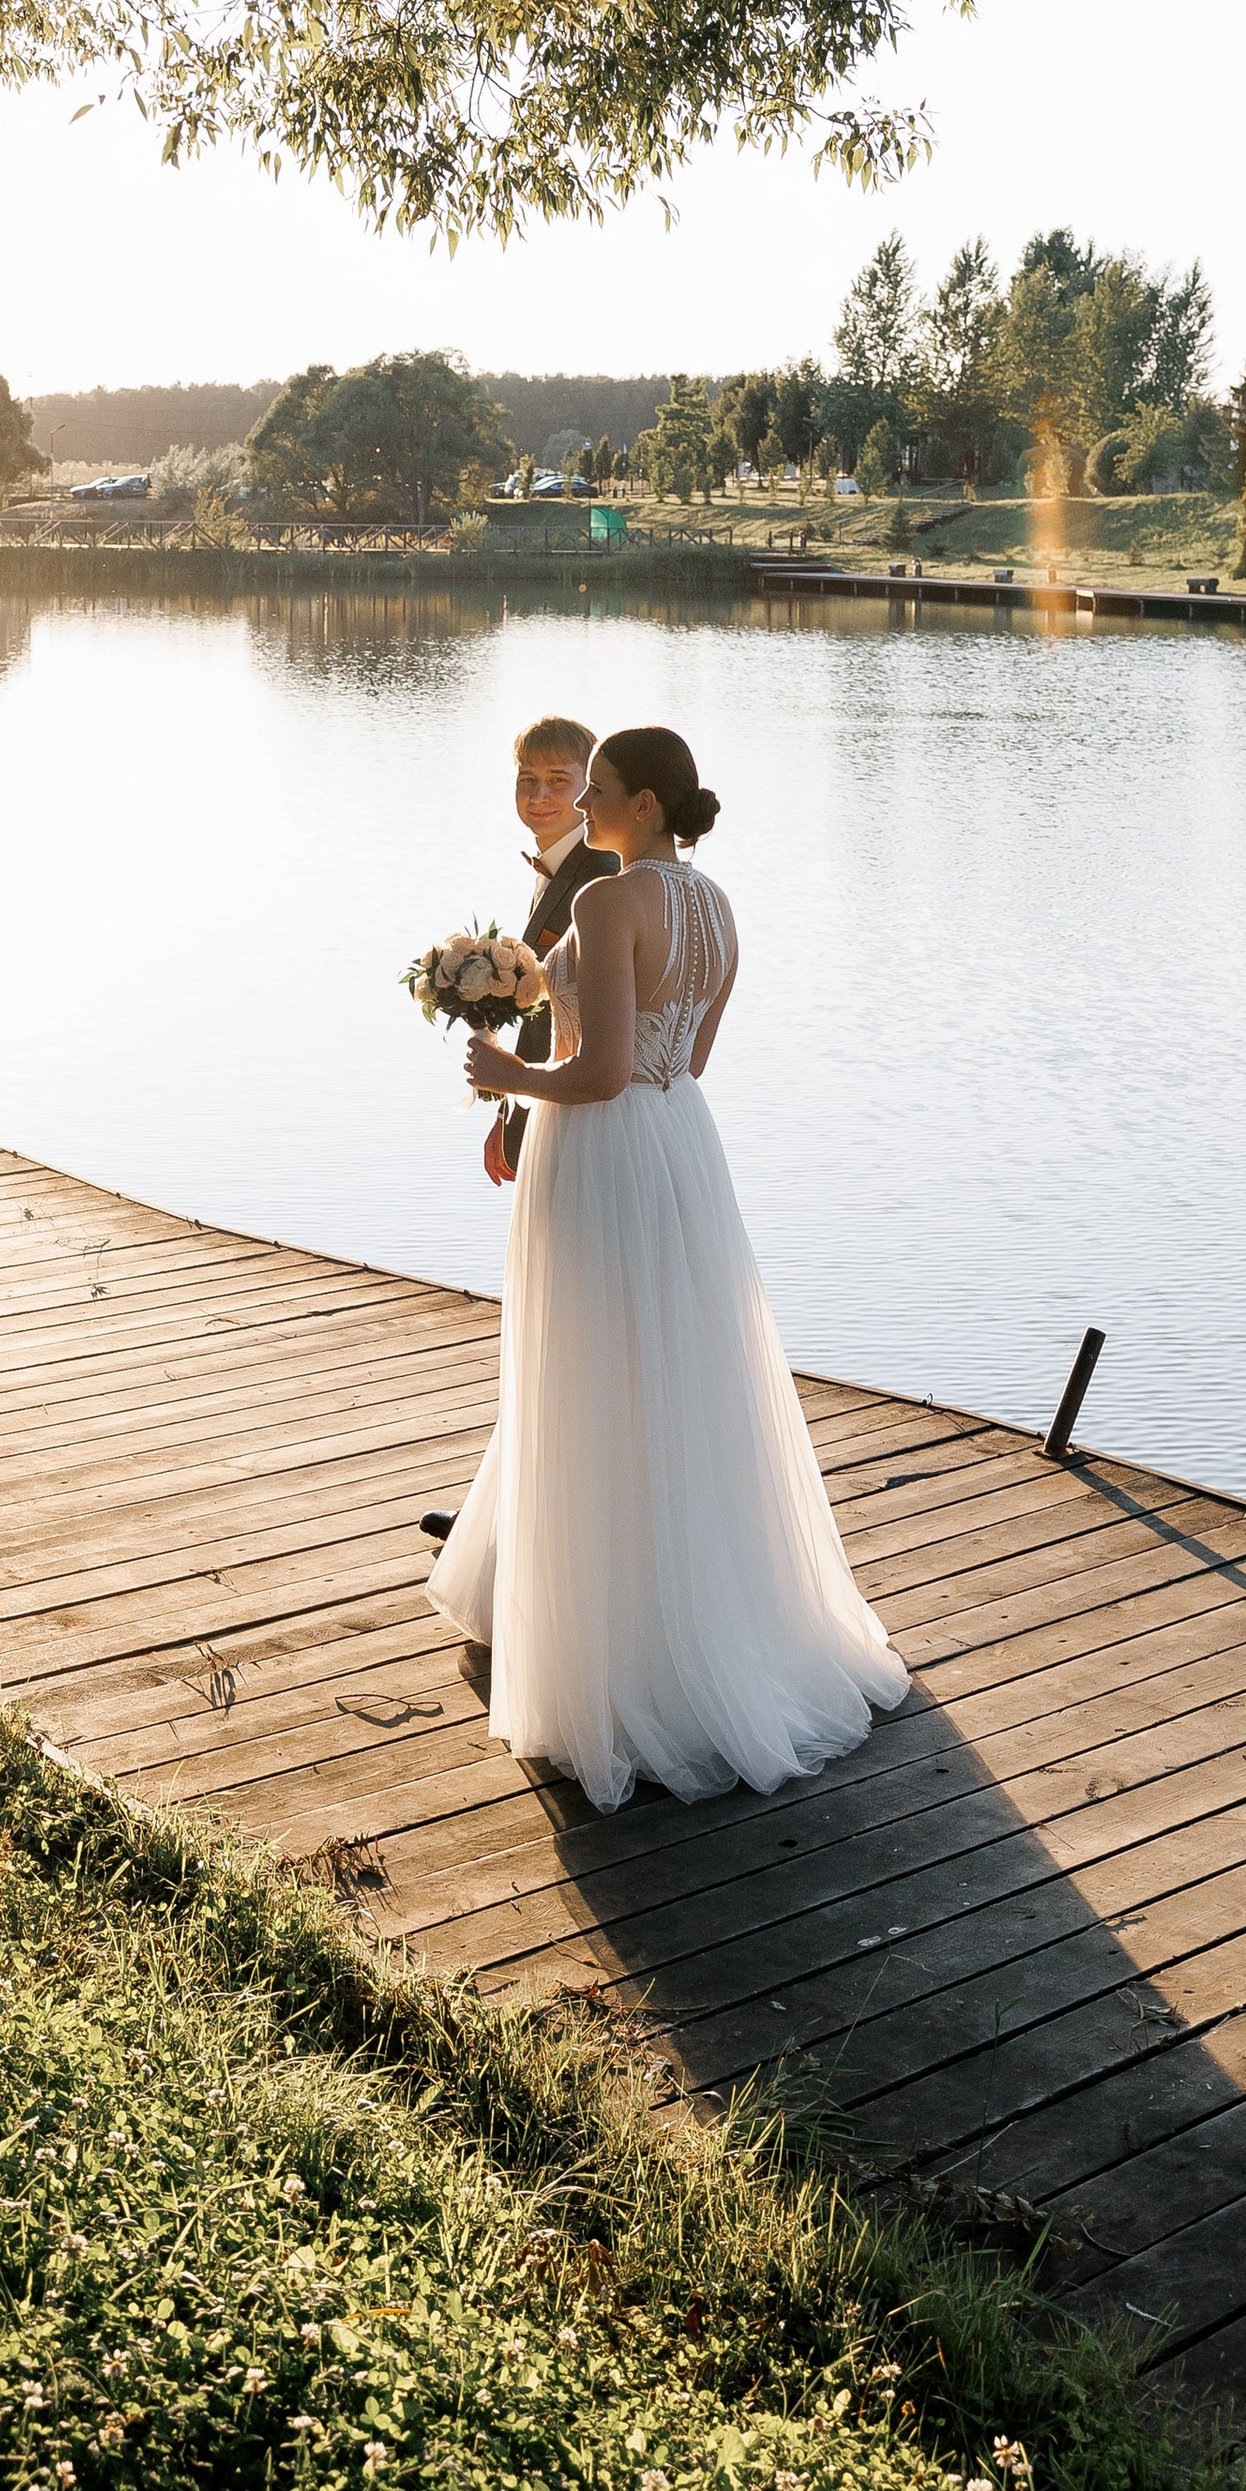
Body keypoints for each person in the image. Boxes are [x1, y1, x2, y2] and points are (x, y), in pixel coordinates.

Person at [425, 724, 907, 1811]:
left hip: (599, 1152)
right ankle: (683, 1607)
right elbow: (682, 1057)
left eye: (594, 790)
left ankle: (615, 1652)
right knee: (674, 1367)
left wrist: (508, 1067)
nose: (580, 803)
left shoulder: (607, 900)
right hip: (682, 1142)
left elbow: (596, 1074)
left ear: (642, 804)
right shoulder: (717, 906)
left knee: (588, 1365)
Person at [484, 716, 618, 1191]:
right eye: (527, 780)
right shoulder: (559, 866)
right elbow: (542, 1014)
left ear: (590, 790)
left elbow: (581, 1020)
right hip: (548, 1103)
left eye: (558, 781)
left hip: (588, 1119)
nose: (539, 796)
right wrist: (507, 1114)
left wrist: (518, 1110)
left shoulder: (599, 874)